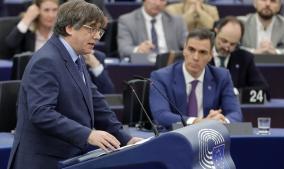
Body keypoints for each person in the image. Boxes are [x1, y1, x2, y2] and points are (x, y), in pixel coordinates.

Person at [7, 1, 141, 169]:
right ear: (69, 28)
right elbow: (41, 112)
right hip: (43, 161)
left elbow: (96, 103)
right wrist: (88, 134)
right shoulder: (47, 60)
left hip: (68, 159)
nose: (97, 36)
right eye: (91, 29)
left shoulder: (76, 57)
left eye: (99, 30)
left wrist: (126, 138)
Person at [5, 0, 114, 94]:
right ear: (37, 11)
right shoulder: (36, 46)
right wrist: (27, 18)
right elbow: (9, 46)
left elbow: (106, 96)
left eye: (54, 10)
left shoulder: (76, 48)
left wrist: (94, 63)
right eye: (46, 10)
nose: (51, 15)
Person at [149, 28, 242, 129]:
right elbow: (161, 115)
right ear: (184, 50)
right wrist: (196, 122)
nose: (196, 57)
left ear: (210, 55)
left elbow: (235, 113)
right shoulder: (161, 77)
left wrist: (220, 121)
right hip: (175, 138)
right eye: (191, 50)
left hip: (209, 139)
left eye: (202, 52)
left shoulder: (222, 76)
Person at [210, 16, 270, 98]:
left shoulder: (245, 58)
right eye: (224, 41)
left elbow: (263, 91)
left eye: (233, 44)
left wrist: (237, 93)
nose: (227, 47)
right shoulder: (201, 52)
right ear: (216, 32)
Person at [117, 0, 187, 58]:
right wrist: (138, 49)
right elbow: (124, 49)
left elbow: (186, 45)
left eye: (162, 0)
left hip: (170, 66)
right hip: (143, 66)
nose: (157, 3)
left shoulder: (177, 21)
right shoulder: (127, 20)